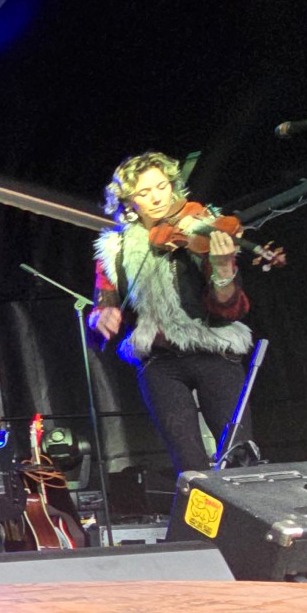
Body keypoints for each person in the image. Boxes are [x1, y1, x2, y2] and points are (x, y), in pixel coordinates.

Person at [88, 151, 253, 477]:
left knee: (239, 454)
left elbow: (230, 309)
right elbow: (103, 302)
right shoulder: (115, 247)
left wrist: (222, 268)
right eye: (144, 192)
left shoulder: (200, 228)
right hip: (160, 362)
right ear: (128, 201)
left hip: (214, 351)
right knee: (188, 463)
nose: (157, 198)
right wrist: (102, 316)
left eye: (162, 187)